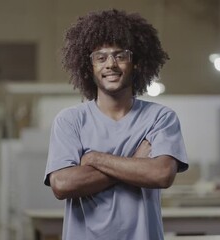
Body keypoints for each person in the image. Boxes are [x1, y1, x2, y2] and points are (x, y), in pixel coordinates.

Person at [44, 9, 188, 240]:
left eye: (120, 56)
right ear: (88, 67)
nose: (110, 64)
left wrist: (94, 159)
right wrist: (136, 163)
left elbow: (161, 175)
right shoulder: (70, 120)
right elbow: (62, 185)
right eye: (100, 57)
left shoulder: (160, 118)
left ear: (137, 63)